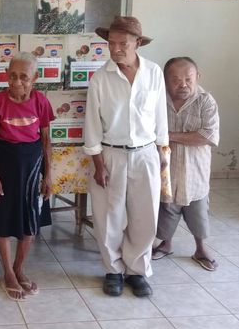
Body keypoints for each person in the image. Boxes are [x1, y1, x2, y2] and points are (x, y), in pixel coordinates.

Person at [83, 16, 169, 297]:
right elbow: (92, 125)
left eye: (123, 44)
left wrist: (162, 152)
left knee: (145, 216)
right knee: (109, 216)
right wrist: (98, 164)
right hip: (111, 154)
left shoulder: (153, 72)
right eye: (111, 43)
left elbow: (160, 117)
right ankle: (113, 270)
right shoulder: (101, 78)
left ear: (137, 43)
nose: (116, 49)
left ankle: (137, 270)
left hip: (146, 153)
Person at [0, 53, 54, 301]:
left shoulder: (41, 101)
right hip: (5, 166)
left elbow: (46, 140)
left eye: (24, 77)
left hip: (33, 167)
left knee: (31, 221)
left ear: (35, 78)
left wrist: (48, 174)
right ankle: (8, 274)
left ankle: (18, 269)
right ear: (6, 75)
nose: (17, 82)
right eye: (12, 76)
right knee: (4, 221)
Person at [152, 57, 220, 271]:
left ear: (197, 77)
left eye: (188, 79)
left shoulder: (205, 101)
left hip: (195, 171)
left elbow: (207, 136)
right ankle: (166, 244)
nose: (183, 85)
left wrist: (166, 135)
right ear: (165, 80)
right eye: (175, 80)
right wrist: (179, 136)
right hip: (166, 170)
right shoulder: (157, 99)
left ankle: (201, 249)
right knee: (166, 208)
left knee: (198, 211)